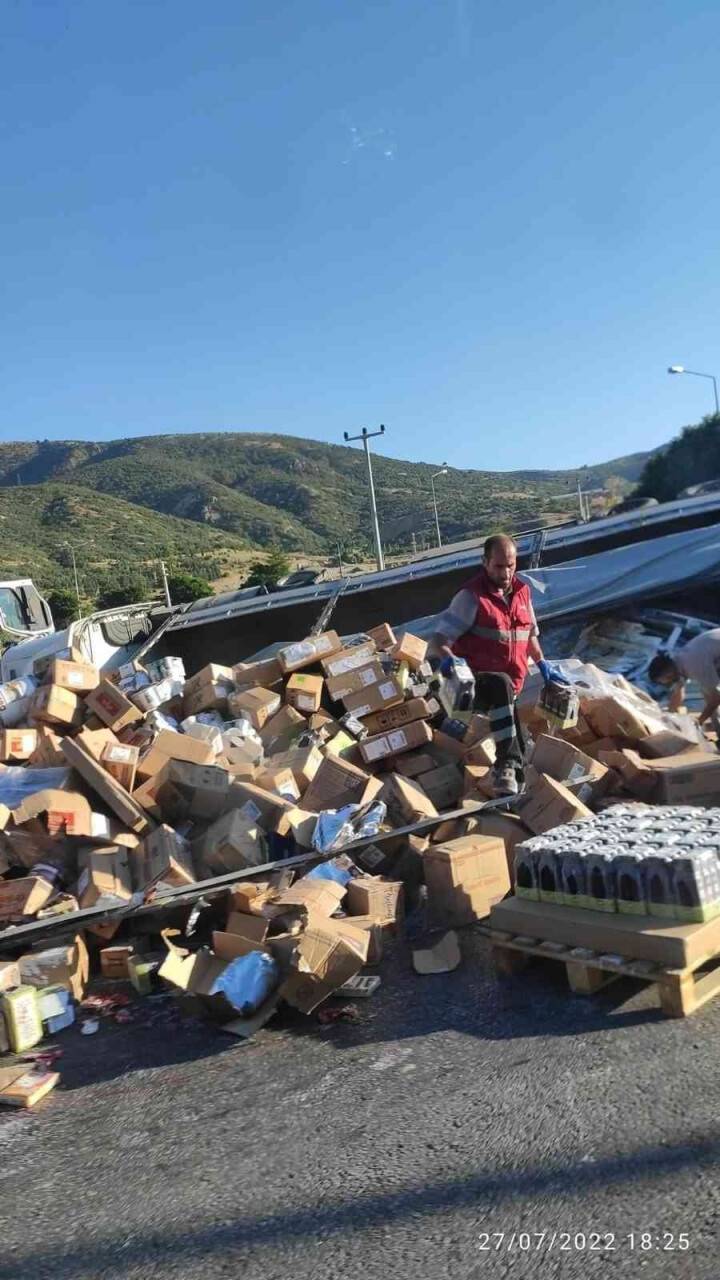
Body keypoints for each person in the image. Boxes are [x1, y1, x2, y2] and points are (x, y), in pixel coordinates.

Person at [428, 533, 565, 796]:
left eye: (511, 565)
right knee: (500, 690)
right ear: (485, 563)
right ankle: (505, 766)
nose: (505, 573)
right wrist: (451, 661)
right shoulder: (471, 598)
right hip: (474, 686)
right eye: (499, 566)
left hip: (508, 690)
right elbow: (437, 641)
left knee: (520, 746)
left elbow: (530, 637)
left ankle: (513, 800)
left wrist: (543, 665)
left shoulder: (523, 594)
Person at [648, 629, 720, 728]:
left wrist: (699, 721)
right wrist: (669, 716)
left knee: (710, 693)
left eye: (669, 681)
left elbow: (716, 698)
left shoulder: (694, 666)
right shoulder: (678, 662)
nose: (670, 683)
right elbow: (678, 694)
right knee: (707, 691)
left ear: (668, 674)